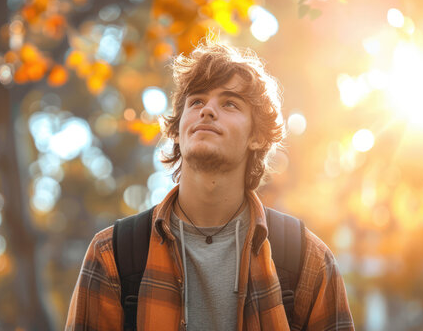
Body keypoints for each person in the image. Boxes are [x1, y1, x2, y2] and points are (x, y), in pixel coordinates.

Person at [66, 39, 354, 330]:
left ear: (257, 137)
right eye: (196, 101)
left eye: (229, 103)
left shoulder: (307, 259)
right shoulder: (113, 255)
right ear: (177, 130)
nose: (207, 110)